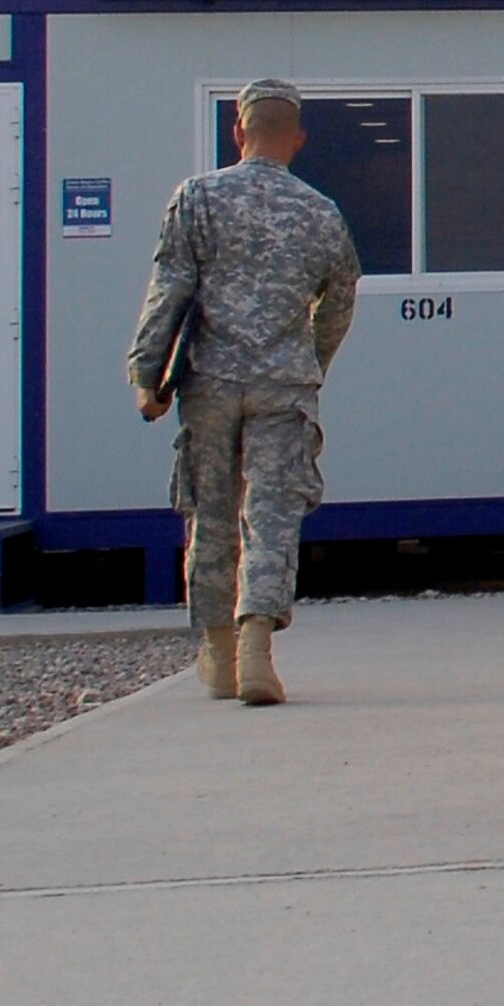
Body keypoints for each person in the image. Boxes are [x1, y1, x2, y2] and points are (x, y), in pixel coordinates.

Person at [127, 79, 359, 705]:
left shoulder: (198, 198)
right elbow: (338, 305)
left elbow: (169, 291)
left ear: (239, 131)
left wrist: (148, 377)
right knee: (273, 516)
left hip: (211, 383)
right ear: (298, 139)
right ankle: (258, 642)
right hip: (283, 384)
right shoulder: (321, 212)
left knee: (211, 512)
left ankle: (218, 653)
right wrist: (312, 363)